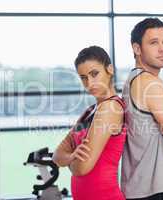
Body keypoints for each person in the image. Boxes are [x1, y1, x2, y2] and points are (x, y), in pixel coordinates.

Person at [121, 18, 163, 200]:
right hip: (155, 191)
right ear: (137, 49)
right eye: (153, 43)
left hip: (137, 189)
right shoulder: (151, 84)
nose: (162, 49)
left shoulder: (131, 81)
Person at [53, 46, 126, 200]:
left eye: (94, 74)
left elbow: (82, 168)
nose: (89, 83)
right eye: (83, 77)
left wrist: (69, 159)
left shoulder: (110, 107)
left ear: (110, 69)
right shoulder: (90, 111)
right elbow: (57, 155)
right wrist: (72, 157)